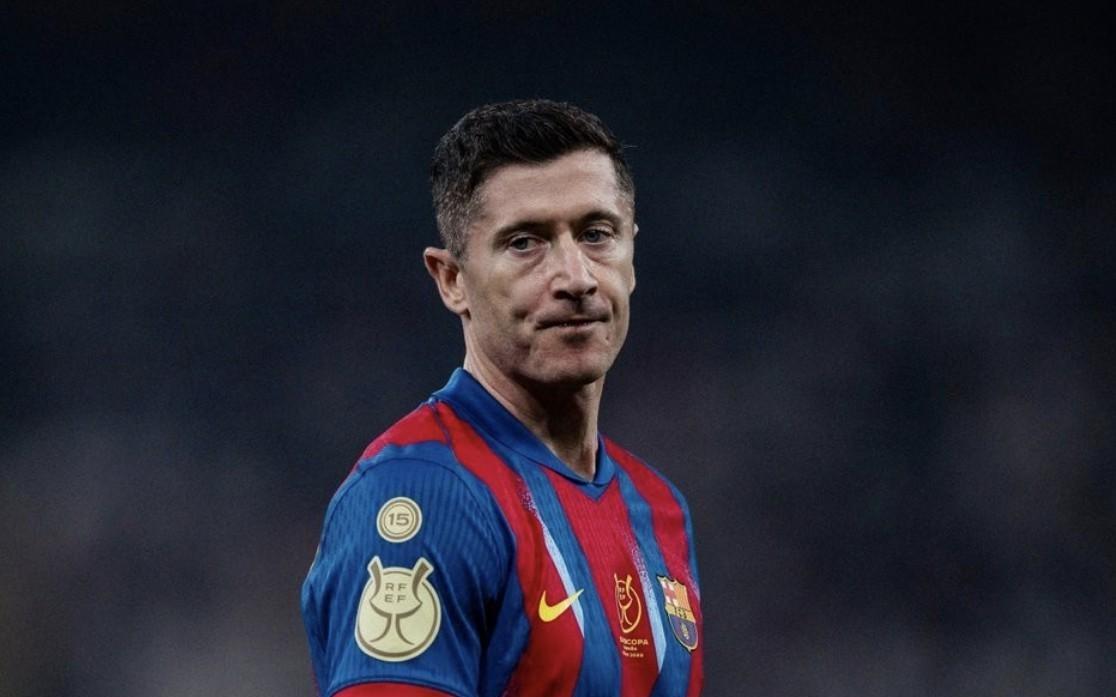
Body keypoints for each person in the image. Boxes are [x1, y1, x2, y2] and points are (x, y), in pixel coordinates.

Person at [301, 99, 703, 697]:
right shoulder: (425, 493)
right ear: (452, 280)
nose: (576, 278)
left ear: (632, 255)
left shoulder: (658, 508)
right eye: (525, 243)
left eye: (597, 235)